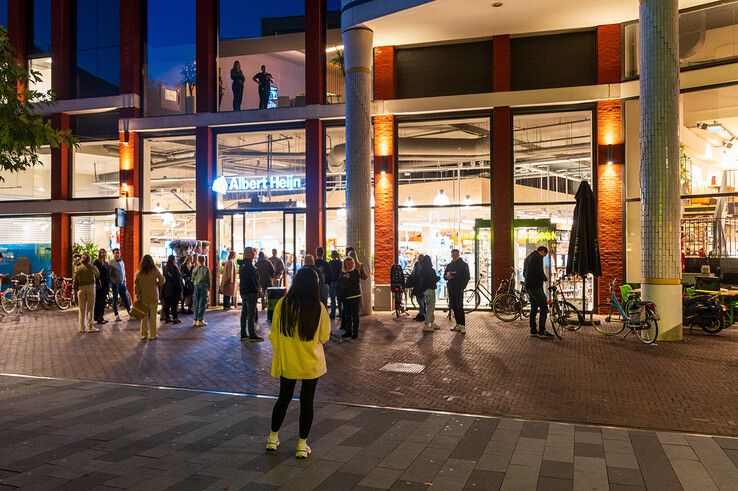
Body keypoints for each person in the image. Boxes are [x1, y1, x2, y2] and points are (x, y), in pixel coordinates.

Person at [266, 267, 330, 459]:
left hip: (288, 361)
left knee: (283, 398)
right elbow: (324, 336)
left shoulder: (283, 304)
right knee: (307, 401)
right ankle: (302, 445)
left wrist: (283, 348)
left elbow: (274, 332)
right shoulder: (318, 307)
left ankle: (272, 437)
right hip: (311, 362)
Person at [523, 245, 555, 339]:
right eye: (544, 255)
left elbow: (524, 272)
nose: (544, 257)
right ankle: (542, 331)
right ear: (542, 251)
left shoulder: (528, 257)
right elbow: (539, 271)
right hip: (535, 286)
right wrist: (545, 278)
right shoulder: (538, 257)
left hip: (528, 286)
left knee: (534, 308)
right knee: (544, 307)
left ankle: (533, 330)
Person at [134, 255, 165, 341]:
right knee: (153, 317)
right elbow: (162, 280)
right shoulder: (155, 271)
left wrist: (138, 297)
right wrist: (156, 284)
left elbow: (137, 288)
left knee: (144, 317)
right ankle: (153, 334)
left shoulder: (139, 273)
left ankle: (144, 334)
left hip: (144, 297)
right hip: (154, 296)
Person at [239, 246, 263, 342]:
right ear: (248, 254)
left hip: (244, 292)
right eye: (252, 252)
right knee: (251, 314)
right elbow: (252, 281)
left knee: (244, 313)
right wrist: (257, 291)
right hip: (250, 292)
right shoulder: (249, 267)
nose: (254, 254)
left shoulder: (242, 265)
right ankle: (252, 335)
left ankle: (243, 334)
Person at [445, 249, 471, 334]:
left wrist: (462, 288)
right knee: (454, 307)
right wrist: (447, 277)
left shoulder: (463, 265)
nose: (454, 256)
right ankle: (458, 324)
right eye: (453, 255)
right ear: (451, 255)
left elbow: (467, 277)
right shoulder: (449, 265)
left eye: (456, 254)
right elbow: (444, 276)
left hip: (458, 289)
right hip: (451, 289)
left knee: (459, 307)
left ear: (458, 255)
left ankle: (462, 325)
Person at [73, 253, 99, 333]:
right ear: (89, 259)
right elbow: (98, 274)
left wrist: (75, 290)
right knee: (90, 308)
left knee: (81, 309)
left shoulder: (78, 268)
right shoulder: (92, 267)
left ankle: (82, 328)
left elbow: (75, 281)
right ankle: (90, 327)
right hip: (90, 288)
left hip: (81, 289)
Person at [339, 256, 361, 339]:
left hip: (354, 296)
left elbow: (355, 282)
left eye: (351, 263)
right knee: (347, 315)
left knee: (354, 315)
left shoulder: (355, 272)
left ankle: (355, 333)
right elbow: (340, 282)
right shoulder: (342, 273)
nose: (349, 264)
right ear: (344, 264)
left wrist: (348, 278)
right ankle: (348, 332)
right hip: (345, 297)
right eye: (347, 263)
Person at [418, 255, 440, 332]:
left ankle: (432, 323)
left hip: (424, 291)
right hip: (430, 290)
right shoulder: (431, 270)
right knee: (431, 308)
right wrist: (438, 278)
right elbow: (434, 279)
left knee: (429, 307)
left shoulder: (421, 269)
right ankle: (426, 325)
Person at [108, 248, 131, 321]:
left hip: (122, 283)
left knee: (125, 298)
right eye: (116, 253)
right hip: (115, 284)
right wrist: (111, 283)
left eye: (118, 253)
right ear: (113, 254)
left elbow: (123, 272)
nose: (117, 254)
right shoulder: (111, 262)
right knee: (115, 299)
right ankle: (116, 315)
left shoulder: (122, 262)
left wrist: (124, 281)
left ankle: (130, 313)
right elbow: (109, 274)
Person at [161, 255, 183, 324]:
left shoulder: (165, 268)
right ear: (173, 260)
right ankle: (175, 319)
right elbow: (177, 280)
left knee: (167, 305)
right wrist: (180, 288)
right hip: (174, 289)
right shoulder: (175, 268)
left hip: (166, 289)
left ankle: (167, 318)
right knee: (174, 305)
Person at [191, 255, 211, 327]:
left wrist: (195, 282)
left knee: (196, 302)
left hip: (196, 286)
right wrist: (209, 287)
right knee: (202, 303)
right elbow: (208, 279)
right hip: (203, 286)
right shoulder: (206, 269)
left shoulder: (195, 268)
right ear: (204, 260)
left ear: (198, 260)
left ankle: (195, 319)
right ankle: (200, 320)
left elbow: (192, 278)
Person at [93, 249, 110, 325]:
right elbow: (94, 274)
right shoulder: (96, 262)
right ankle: (98, 317)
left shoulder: (106, 263)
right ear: (99, 253)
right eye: (102, 252)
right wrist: (97, 282)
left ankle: (101, 317)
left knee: (103, 302)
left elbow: (107, 274)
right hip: (99, 285)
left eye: (104, 252)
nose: (103, 254)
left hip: (105, 285)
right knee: (98, 301)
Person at [407, 254, 426, 322]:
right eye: (419, 258)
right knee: (420, 301)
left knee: (421, 302)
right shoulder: (417, 264)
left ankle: (422, 315)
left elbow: (415, 274)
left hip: (421, 286)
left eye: (421, 258)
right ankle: (422, 314)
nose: (420, 260)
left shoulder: (423, 266)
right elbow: (414, 273)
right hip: (417, 286)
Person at [328, 250, 342, 320]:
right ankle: (341, 314)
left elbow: (329, 273)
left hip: (332, 282)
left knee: (332, 299)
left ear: (332, 255)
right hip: (339, 282)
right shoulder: (340, 263)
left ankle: (333, 314)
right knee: (339, 299)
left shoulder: (330, 263)